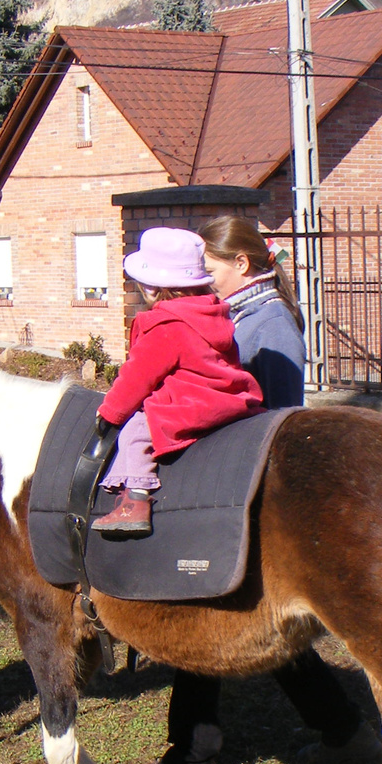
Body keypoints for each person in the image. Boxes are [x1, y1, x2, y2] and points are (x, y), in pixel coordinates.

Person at [128, 216, 380, 764]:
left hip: (246, 493)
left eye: (209, 270)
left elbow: (273, 422)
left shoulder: (269, 324)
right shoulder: (241, 314)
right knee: (259, 622)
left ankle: (192, 757)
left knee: (210, 607)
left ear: (241, 265)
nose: (202, 281)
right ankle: (343, 733)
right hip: (230, 487)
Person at [91, 226, 265, 538]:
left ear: (152, 287)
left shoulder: (166, 325)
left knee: (134, 431)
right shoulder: (215, 314)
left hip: (190, 407)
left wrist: (110, 413)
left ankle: (135, 500)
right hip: (231, 401)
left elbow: (136, 378)